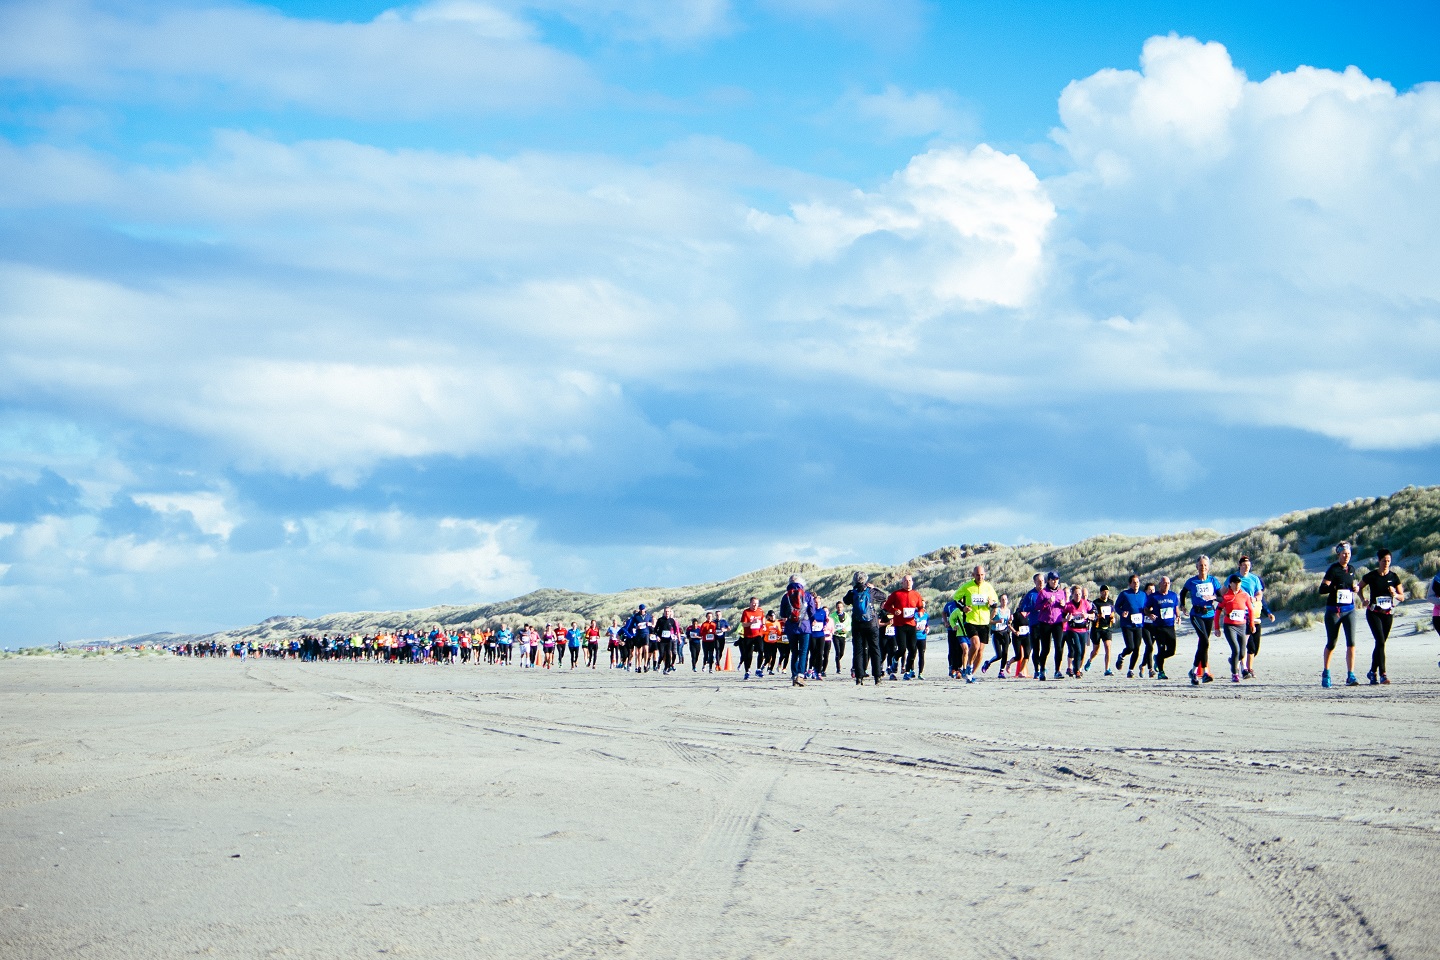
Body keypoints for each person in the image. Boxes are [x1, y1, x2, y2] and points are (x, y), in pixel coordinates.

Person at [1360, 547, 1405, 685]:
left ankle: (1372, 672)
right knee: (1380, 641)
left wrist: (1395, 595)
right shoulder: (1372, 576)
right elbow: (1359, 587)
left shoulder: (1394, 577)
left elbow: (1402, 597)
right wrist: (1363, 600)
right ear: (1379, 561)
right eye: (1384, 561)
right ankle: (1383, 674)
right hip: (1374, 613)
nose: (1386, 563)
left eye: (1389, 560)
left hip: (1388, 614)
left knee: (1381, 644)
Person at [1320, 542, 1361, 688]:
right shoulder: (1333, 569)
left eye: (1348, 554)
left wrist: (1354, 588)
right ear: (1338, 554)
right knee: (1332, 643)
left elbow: (1351, 584)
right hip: (1334, 611)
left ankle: (1351, 675)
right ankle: (1326, 672)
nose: (1346, 556)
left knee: (1352, 643)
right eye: (1343, 553)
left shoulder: (1351, 569)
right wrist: (1335, 587)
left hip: (1349, 610)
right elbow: (1322, 589)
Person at [1180, 557, 1223, 684]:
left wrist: (1213, 597)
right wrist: (1182, 605)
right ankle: (1204, 673)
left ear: (1208, 567)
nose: (1202, 567)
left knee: (1203, 643)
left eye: (1205, 565)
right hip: (1196, 614)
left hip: (1209, 613)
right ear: (1196, 567)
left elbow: (1221, 598)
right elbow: (1183, 592)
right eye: (1200, 565)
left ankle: (1193, 671)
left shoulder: (1213, 581)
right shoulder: (1192, 581)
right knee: (1204, 641)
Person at [952, 565, 999, 682]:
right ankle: (969, 665)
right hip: (971, 620)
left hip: (984, 621)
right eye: (977, 575)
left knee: (981, 651)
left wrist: (992, 603)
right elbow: (956, 598)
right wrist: (963, 608)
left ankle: (970, 675)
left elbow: (995, 603)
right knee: (975, 645)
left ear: (985, 575)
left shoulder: (988, 587)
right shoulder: (967, 587)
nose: (980, 577)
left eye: (982, 575)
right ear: (973, 575)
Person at [1234, 555, 1274, 678]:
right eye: (1244, 565)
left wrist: (1268, 613)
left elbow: (1263, 603)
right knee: (1249, 646)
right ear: (1240, 565)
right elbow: (1226, 593)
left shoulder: (1255, 580)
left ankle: (1237, 660)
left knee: (1255, 648)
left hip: (1256, 617)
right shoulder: (1234, 578)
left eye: (1248, 565)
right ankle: (1247, 669)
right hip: (1242, 616)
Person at [1214, 574, 1258, 682]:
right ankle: (1234, 673)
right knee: (1235, 649)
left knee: (1242, 652)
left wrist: (1252, 624)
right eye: (1235, 583)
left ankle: (1233, 661)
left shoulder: (1245, 595)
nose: (1238, 585)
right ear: (1231, 584)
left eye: (1239, 583)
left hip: (1242, 625)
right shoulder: (1226, 597)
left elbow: (1251, 610)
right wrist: (1217, 628)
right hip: (1229, 626)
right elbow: (1218, 612)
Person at [843, 572, 885, 685]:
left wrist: (853, 590)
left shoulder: (852, 592)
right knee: (875, 649)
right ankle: (877, 677)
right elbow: (883, 597)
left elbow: (845, 601)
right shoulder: (870, 591)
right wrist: (874, 587)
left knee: (858, 651)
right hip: (871, 623)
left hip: (858, 624)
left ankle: (859, 677)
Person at [884, 574, 926, 680]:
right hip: (900, 625)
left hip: (912, 625)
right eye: (905, 581)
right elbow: (886, 605)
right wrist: (894, 611)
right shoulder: (896, 594)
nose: (908, 582)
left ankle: (907, 672)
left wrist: (920, 612)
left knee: (912, 649)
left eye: (910, 580)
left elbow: (921, 607)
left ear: (912, 582)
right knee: (902, 649)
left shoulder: (916, 595)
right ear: (902, 583)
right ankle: (895, 658)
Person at [780, 575, 819, 686]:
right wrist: (812, 620)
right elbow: (812, 611)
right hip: (805, 626)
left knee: (794, 652)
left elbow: (782, 614)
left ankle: (794, 675)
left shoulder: (786, 596)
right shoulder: (806, 595)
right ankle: (800, 675)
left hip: (791, 627)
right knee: (803, 652)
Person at [1033, 572, 1067, 681]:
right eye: (1052, 579)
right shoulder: (1043, 592)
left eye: (1056, 579)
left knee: (1059, 647)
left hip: (1057, 622)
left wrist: (1063, 605)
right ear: (1048, 580)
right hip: (1045, 623)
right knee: (1046, 648)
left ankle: (1057, 670)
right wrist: (1047, 602)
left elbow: (1064, 608)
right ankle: (1042, 670)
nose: (1055, 581)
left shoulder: (1061, 592)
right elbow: (1037, 607)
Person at [1146, 578, 1180, 680]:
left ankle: (1157, 658)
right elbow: (1146, 609)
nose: (1166, 585)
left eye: (1168, 583)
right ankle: (1161, 672)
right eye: (1164, 583)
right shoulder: (1154, 596)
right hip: (1158, 627)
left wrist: (1178, 616)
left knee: (1171, 651)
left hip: (1170, 626)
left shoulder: (1173, 595)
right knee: (1161, 649)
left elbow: (1176, 608)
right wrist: (1150, 615)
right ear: (1160, 584)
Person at [1114, 575, 1146, 678]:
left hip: (1139, 624)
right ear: (1130, 584)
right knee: (1130, 647)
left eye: (1137, 582)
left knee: (1137, 648)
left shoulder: (1143, 595)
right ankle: (1122, 656)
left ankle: (1131, 670)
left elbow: (1146, 607)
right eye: (1134, 582)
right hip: (1127, 624)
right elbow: (1117, 606)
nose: (1136, 584)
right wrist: (1122, 612)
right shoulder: (1125, 594)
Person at [1013, 574, 1043, 678]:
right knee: (1036, 649)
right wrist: (1036, 607)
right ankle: (1037, 670)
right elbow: (1023, 608)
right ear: (1034, 582)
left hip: (1046, 624)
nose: (1041, 583)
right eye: (1038, 581)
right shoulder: (1031, 594)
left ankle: (1042, 666)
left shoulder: (1047, 593)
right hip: (1034, 624)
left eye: (1043, 581)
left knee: (1046, 648)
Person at [1062, 584, 1094, 677]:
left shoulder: (1085, 603)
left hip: (1083, 630)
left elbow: (1093, 615)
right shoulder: (1069, 605)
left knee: (1083, 651)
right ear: (1072, 595)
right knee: (1077, 649)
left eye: (1079, 594)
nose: (1078, 596)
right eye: (1076, 594)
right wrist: (1068, 618)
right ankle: (1076, 670)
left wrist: (1087, 616)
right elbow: (1062, 619)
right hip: (1072, 630)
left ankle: (1077, 667)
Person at [1086, 586, 1115, 677]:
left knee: (1108, 647)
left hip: (1107, 628)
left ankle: (1107, 669)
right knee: (1096, 650)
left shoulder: (1111, 602)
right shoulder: (1095, 603)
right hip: (1097, 629)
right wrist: (1099, 615)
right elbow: (1092, 616)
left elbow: (1113, 612)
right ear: (1100, 592)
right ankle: (1090, 660)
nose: (1105, 593)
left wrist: (1112, 618)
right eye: (1103, 592)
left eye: (1107, 591)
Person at [739, 597, 766, 678]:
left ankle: (758, 669)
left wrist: (764, 625)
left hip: (758, 634)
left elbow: (763, 618)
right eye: (753, 604)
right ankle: (747, 671)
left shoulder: (760, 610)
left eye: (756, 604)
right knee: (748, 655)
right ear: (750, 603)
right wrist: (751, 622)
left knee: (761, 651)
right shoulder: (746, 612)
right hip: (748, 636)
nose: (755, 605)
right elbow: (743, 624)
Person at [654, 606, 681, 674]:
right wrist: (657, 636)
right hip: (661, 640)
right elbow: (655, 630)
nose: (667, 613)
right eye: (666, 611)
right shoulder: (660, 620)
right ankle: (659, 664)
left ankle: (666, 668)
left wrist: (674, 635)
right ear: (664, 612)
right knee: (662, 654)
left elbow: (675, 629)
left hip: (668, 640)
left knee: (669, 654)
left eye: (668, 611)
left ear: (670, 612)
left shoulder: (672, 620)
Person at [809, 599, 832, 678]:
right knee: (813, 653)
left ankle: (818, 671)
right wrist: (811, 623)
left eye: (818, 602)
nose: (817, 603)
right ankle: (811, 669)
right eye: (815, 602)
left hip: (821, 635)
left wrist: (825, 626)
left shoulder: (822, 612)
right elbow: (807, 621)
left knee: (820, 653)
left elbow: (824, 621)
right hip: (813, 634)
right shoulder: (811, 611)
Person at [830, 602, 848, 675]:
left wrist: (846, 629)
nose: (839, 608)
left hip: (843, 636)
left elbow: (849, 625)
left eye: (840, 607)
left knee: (841, 653)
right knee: (837, 651)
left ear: (843, 607)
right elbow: (830, 624)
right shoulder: (832, 616)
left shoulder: (846, 616)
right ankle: (838, 668)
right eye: (838, 607)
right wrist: (833, 630)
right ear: (836, 607)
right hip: (836, 635)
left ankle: (837, 660)